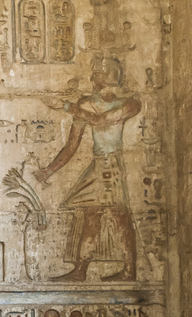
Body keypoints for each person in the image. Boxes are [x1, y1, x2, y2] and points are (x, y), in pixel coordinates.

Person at [34, 56, 142, 282]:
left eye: (98, 75)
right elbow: (71, 145)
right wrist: (49, 170)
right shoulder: (84, 105)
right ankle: (81, 270)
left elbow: (102, 120)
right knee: (91, 216)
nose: (94, 80)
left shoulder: (130, 103)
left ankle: (129, 271)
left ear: (110, 77)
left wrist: (66, 107)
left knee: (120, 216)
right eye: (94, 76)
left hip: (112, 166)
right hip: (99, 164)